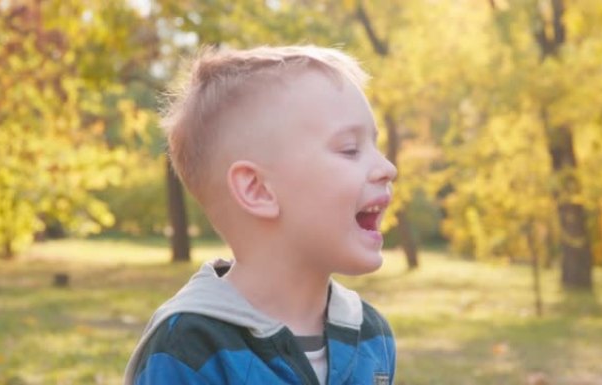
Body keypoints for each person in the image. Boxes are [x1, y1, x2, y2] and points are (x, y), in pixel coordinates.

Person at [124, 45, 398, 385]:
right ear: (257, 190)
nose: (387, 168)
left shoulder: (372, 336)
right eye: (350, 150)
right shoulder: (190, 348)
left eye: (376, 144)